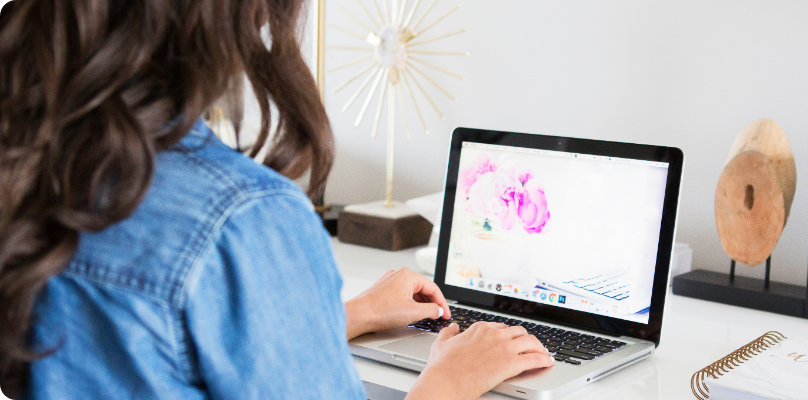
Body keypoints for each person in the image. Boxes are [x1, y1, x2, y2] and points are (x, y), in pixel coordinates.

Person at [0, 0, 553, 399]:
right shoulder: (241, 218)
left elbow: (152, 353)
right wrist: (451, 380)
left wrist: (344, 315)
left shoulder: (25, 168)